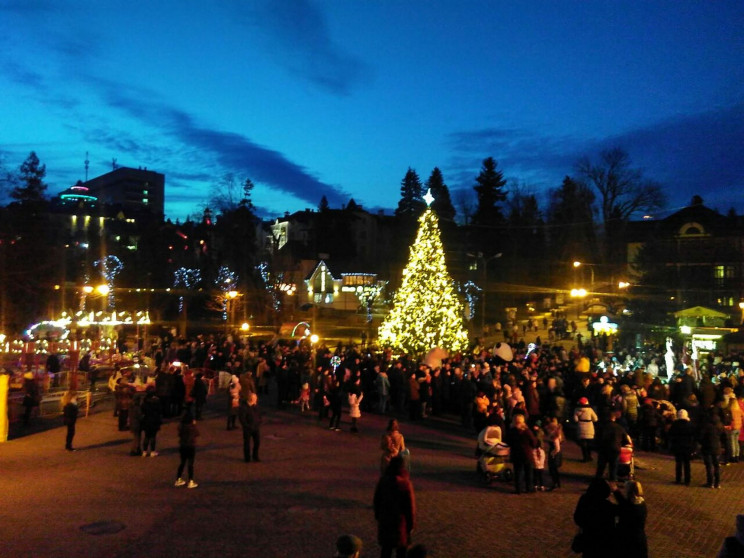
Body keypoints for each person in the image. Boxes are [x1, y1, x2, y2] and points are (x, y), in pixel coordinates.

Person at [374, 455, 416, 558]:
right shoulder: (405, 483)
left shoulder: (383, 480)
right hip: (400, 521)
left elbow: (377, 500)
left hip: (385, 519)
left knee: (386, 549)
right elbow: (410, 507)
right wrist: (411, 525)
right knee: (401, 549)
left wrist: (378, 516)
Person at [573, 478, 618, 558]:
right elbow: (625, 510)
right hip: (604, 541)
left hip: (588, 539)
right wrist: (616, 492)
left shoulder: (584, 499)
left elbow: (577, 518)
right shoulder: (606, 505)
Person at [613, 480, 648, 558]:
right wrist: (616, 491)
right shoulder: (641, 503)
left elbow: (623, 507)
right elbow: (624, 504)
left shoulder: (630, 507)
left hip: (628, 540)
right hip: (639, 540)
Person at [505, 412, 538, 494]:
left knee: (518, 472)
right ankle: (528, 488)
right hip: (527, 453)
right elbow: (534, 442)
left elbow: (507, 441)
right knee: (528, 472)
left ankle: (518, 489)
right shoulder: (527, 431)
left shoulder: (512, 431)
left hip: (516, 453)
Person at [595, 412, 631, 482]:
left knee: (601, 466)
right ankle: (613, 481)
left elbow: (597, 438)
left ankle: (597, 480)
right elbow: (626, 440)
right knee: (613, 467)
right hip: (615, 449)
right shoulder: (620, 428)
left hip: (604, 448)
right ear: (614, 418)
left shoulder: (602, 427)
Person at [668, 409, 696, 485]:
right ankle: (687, 480)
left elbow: (670, 434)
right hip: (688, 446)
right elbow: (694, 436)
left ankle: (678, 479)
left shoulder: (675, 424)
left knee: (678, 463)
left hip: (678, 446)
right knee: (687, 464)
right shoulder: (690, 425)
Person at [699, 409, 724, 488]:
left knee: (709, 465)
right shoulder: (720, 425)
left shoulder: (707, 425)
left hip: (707, 447)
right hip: (717, 447)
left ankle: (710, 483)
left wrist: (701, 443)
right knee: (716, 465)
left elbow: (701, 436)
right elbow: (724, 436)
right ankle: (717, 482)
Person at [175, 410, 199, 489]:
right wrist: (194, 425)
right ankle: (191, 480)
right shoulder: (192, 427)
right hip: (191, 446)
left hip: (183, 445)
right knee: (190, 464)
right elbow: (197, 433)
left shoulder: (181, 426)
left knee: (182, 462)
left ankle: (178, 478)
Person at [238, 392, 262, 462]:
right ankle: (247, 458)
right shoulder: (244, 407)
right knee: (247, 444)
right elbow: (242, 419)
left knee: (257, 442)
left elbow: (259, 415)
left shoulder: (255, 406)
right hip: (248, 429)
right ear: (251, 399)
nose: (256, 400)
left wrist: (259, 422)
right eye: (255, 399)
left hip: (255, 427)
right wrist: (247, 426)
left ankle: (255, 456)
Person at [141, 385, 162, 457]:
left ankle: (144, 451)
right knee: (153, 436)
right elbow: (160, 411)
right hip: (154, 419)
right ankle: (152, 451)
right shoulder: (157, 400)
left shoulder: (145, 400)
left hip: (146, 419)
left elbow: (142, 410)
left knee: (147, 436)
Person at [574, 397, 598, 462]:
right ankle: (589, 456)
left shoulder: (577, 409)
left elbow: (575, 419)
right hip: (589, 427)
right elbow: (595, 418)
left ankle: (585, 457)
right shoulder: (590, 410)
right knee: (589, 443)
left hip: (581, 427)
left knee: (583, 444)